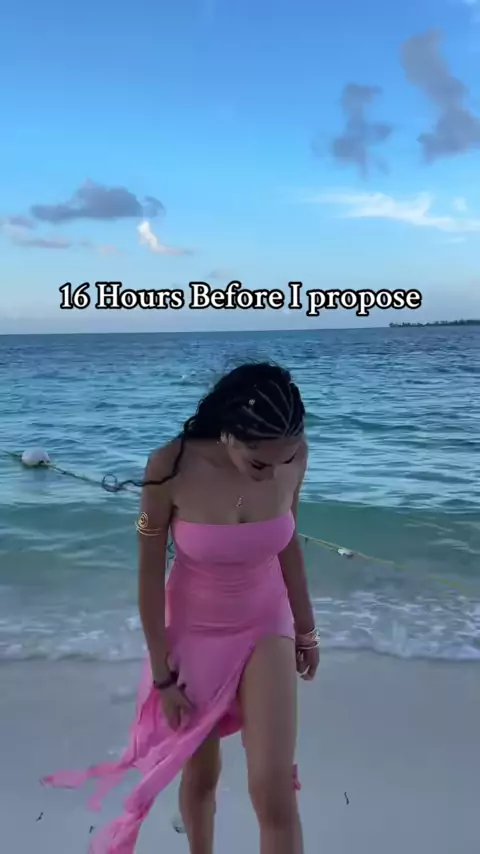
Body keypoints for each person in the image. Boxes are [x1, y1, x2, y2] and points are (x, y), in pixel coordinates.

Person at [42, 361, 320, 854]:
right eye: (259, 464)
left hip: (267, 621)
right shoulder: (169, 466)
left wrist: (306, 628)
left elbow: (288, 543)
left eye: (285, 459)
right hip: (195, 631)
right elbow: (149, 573)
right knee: (201, 773)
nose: (273, 474)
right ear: (230, 433)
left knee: (273, 791)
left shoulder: (292, 457)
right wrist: (162, 677)